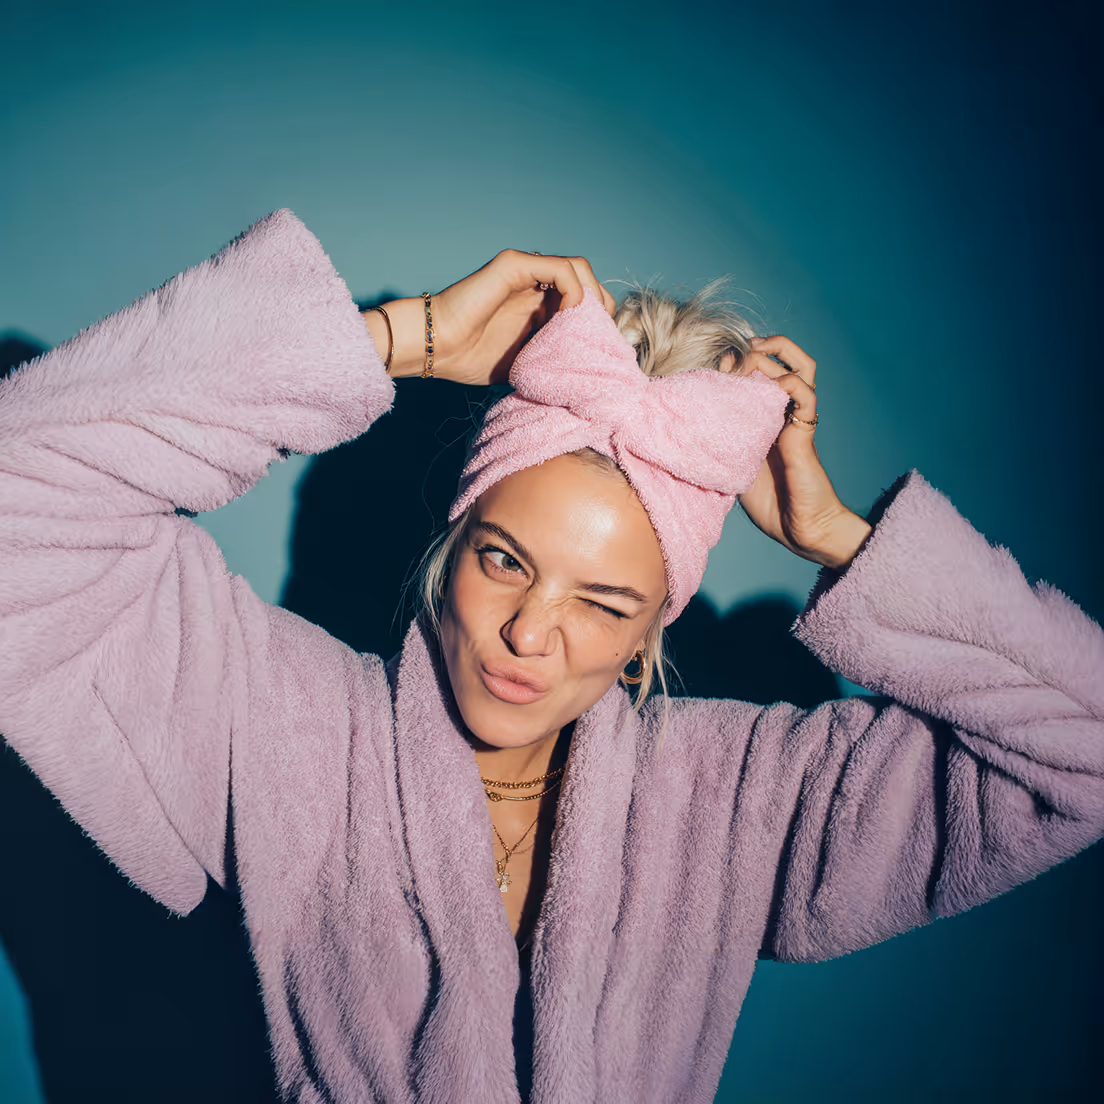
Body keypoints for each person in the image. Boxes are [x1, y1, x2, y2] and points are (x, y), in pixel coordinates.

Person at [0, 208, 1100, 1104]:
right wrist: (402, 339)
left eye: (603, 599)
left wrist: (841, 540)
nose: (532, 633)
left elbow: (1083, 749)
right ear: (449, 547)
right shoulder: (281, 723)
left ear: (647, 631)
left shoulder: (734, 795)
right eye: (506, 560)